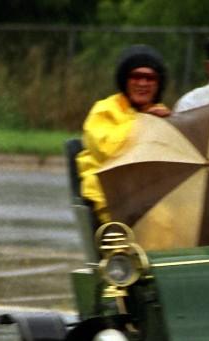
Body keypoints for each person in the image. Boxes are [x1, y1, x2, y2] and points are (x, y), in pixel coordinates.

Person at [76, 45, 171, 223]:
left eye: (149, 78)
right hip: (110, 199)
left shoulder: (164, 115)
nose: (142, 83)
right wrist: (143, 123)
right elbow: (109, 150)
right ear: (124, 80)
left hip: (152, 198)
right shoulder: (104, 110)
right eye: (136, 76)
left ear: (158, 84)